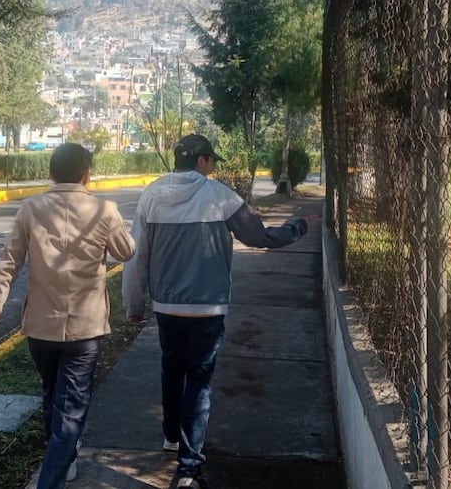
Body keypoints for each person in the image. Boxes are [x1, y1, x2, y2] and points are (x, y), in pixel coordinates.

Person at [122, 134, 310, 489]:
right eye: (212, 161)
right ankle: (187, 468)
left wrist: (134, 304)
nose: (214, 167)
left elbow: (137, 256)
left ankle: (170, 435)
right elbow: (257, 237)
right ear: (202, 161)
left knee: (171, 368)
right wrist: (294, 229)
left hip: (166, 305)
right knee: (199, 381)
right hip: (208, 308)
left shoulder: (152, 195)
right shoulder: (219, 195)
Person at [0, 142, 135, 489]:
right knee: (71, 409)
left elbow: (6, 268)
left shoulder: (30, 209)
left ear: (50, 173)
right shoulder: (104, 210)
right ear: (87, 173)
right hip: (85, 328)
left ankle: (63, 458)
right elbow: (126, 251)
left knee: (52, 393)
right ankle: (54, 475)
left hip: (40, 329)